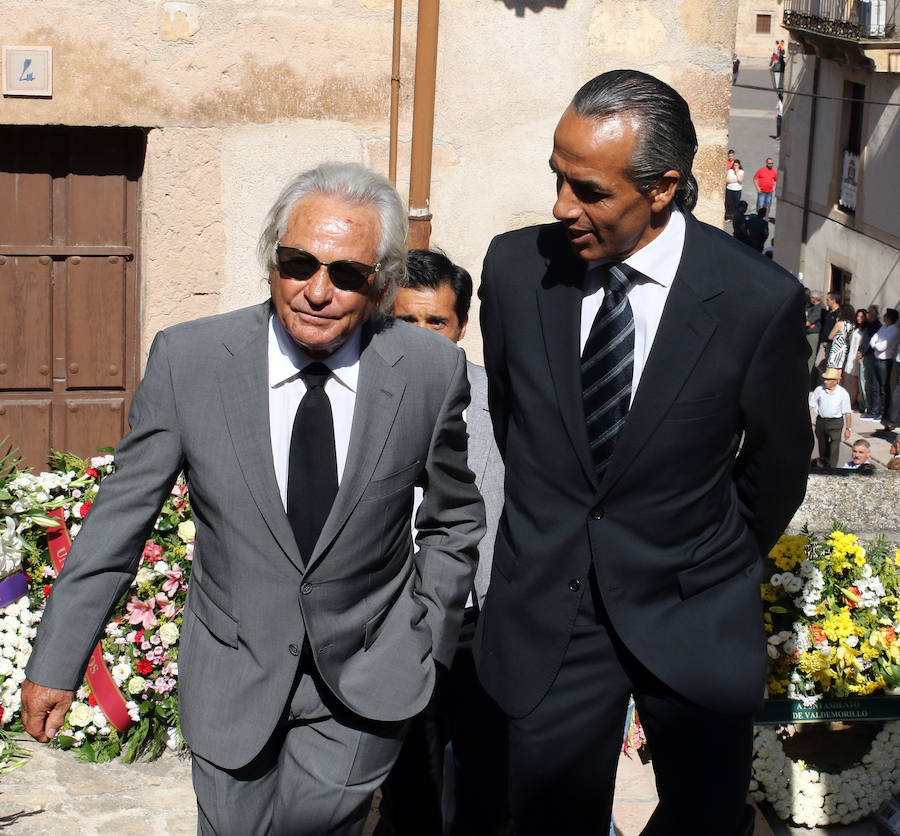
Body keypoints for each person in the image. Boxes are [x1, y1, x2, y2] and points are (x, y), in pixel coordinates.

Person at [21, 163, 485, 836]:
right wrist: (58, 661)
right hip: (232, 675)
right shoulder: (191, 361)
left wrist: (426, 638)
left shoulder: (427, 371)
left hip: (366, 678)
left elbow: (454, 515)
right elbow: (119, 520)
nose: (317, 292)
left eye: (347, 274)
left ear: (379, 283)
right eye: (298, 264)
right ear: (271, 260)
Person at [475, 69, 811, 836]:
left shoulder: (755, 300)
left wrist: (704, 554)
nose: (562, 207)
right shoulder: (515, 269)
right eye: (557, 179)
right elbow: (512, 418)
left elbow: (777, 466)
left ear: (662, 189)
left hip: (692, 613)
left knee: (706, 820)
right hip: (549, 616)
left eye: (589, 191)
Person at [376, 249, 509, 836]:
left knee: (485, 784)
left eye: (438, 322)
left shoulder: (506, 402)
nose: (423, 335)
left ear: (461, 327)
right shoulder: (352, 401)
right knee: (407, 789)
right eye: (407, 320)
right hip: (385, 624)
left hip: (480, 625)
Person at [809, 368, 852, 468]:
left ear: (835, 381)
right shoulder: (819, 390)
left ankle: (832, 469)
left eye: (828, 379)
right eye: (825, 379)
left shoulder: (843, 393)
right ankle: (823, 466)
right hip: (822, 421)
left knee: (834, 447)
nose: (825, 381)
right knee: (822, 446)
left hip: (835, 422)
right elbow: (812, 404)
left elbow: (847, 412)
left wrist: (848, 428)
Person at [867, 307, 900, 425]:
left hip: (886, 361)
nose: (884, 317)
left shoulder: (894, 331)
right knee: (874, 386)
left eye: (886, 316)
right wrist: (876, 344)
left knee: (884, 388)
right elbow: (873, 340)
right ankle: (874, 410)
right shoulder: (883, 328)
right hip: (877, 359)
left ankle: (882, 411)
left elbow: (883, 346)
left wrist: (876, 344)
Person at [859, 305, 882, 418]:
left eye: (867, 313)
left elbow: (871, 343)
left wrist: (863, 351)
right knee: (866, 382)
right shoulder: (869, 325)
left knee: (873, 384)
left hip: (873, 357)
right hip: (866, 355)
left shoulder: (878, 326)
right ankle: (869, 408)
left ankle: (874, 410)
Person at [843, 308, 868, 410]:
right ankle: (854, 401)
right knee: (854, 381)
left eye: (861, 316)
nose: (859, 318)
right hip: (852, 356)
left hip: (859, 357)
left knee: (859, 382)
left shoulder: (866, 330)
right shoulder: (856, 328)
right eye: (858, 316)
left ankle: (854, 402)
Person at [827, 302, 856, 370]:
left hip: (836, 350)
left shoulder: (840, 324)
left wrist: (836, 323)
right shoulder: (852, 325)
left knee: (831, 374)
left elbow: (830, 336)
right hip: (844, 349)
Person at [806, 290, 825, 376]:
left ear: (814, 298)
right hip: (808, 333)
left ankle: (808, 375)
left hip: (813, 334)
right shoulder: (812, 307)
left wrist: (808, 322)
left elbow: (808, 322)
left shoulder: (820, 308)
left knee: (811, 356)